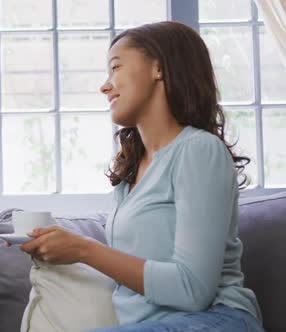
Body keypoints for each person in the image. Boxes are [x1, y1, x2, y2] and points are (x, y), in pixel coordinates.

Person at [19, 21, 264, 331]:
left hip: (216, 320)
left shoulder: (199, 150)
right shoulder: (129, 173)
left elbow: (193, 290)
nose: (105, 85)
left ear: (157, 68)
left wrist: (82, 249)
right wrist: (60, 249)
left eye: (116, 68)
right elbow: (137, 274)